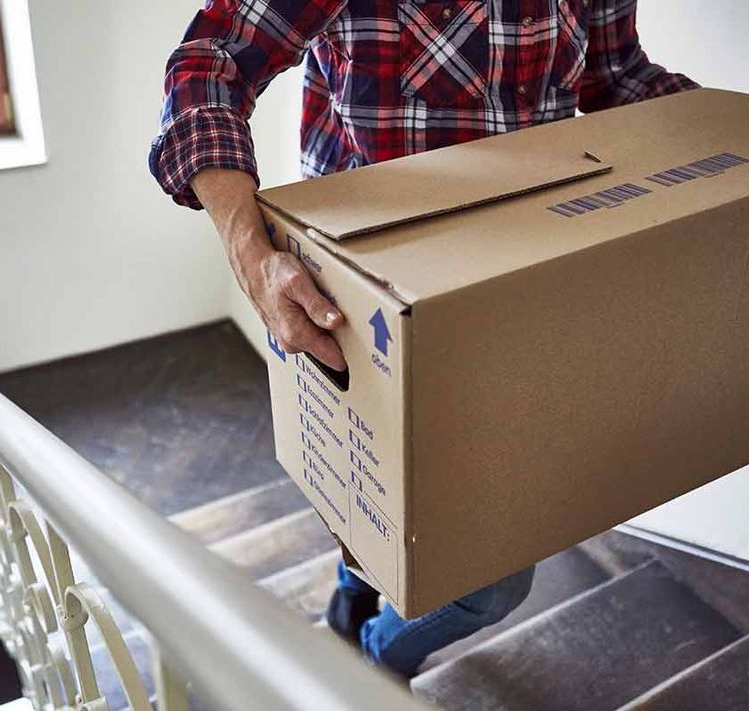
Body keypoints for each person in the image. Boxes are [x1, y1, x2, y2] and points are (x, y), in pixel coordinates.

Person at [150, 0, 697, 679]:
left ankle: (375, 661)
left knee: (487, 584)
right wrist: (248, 250)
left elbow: (616, 77)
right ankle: (351, 596)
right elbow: (210, 64)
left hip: (521, 290)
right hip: (359, 301)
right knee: (358, 507)